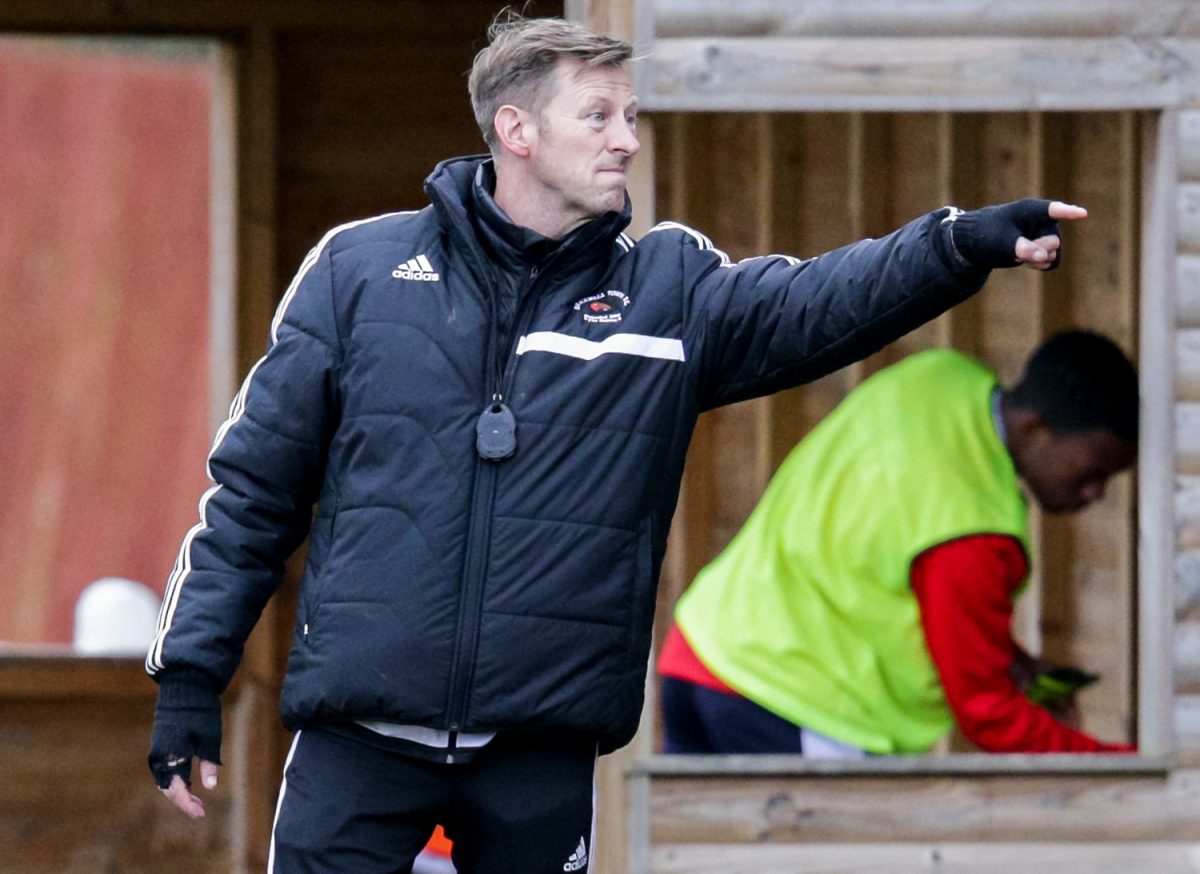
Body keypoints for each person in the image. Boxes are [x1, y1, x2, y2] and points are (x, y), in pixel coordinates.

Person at [145, 10, 1091, 872]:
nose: (627, 140)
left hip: (538, 756)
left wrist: (960, 245)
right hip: (356, 745)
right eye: (598, 117)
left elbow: (817, 300)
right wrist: (192, 676)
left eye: (630, 117)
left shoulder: (670, 292)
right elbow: (253, 491)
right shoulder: (358, 271)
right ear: (518, 132)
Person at [658, 330, 1138, 757]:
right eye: (1092, 472)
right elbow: (987, 712)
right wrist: (1118, 766)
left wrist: (1012, 662)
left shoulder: (939, 378)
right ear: (1036, 429)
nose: (1096, 492)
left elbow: (888, 557)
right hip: (791, 701)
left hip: (702, 652)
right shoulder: (970, 529)